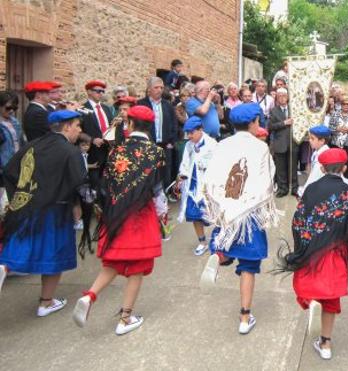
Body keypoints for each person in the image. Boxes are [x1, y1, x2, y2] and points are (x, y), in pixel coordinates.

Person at [72, 105, 167, 335]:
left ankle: (90, 296)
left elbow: (106, 184)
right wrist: (163, 213)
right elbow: (157, 189)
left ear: (130, 124)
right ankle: (125, 318)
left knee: (113, 261)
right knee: (137, 267)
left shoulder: (116, 150)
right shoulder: (156, 152)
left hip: (115, 215)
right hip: (140, 215)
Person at [199, 103, 279, 334]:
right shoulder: (260, 148)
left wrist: (218, 204)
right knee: (248, 266)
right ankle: (244, 317)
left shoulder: (223, 145)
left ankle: (218, 254)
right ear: (254, 122)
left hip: (227, 211)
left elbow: (211, 178)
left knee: (225, 244)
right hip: (249, 214)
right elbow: (267, 181)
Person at [277, 148, 348, 360]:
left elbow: (298, 220)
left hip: (311, 250)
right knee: (331, 298)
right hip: (335, 252)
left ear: (322, 168)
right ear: (344, 168)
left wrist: (302, 246)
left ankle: (311, 303)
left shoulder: (311, 189)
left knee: (306, 286)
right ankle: (325, 344)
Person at [0, 110, 86, 313]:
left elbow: (10, 170)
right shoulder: (70, 151)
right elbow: (78, 183)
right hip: (56, 212)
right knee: (54, 255)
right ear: (66, 127)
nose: (79, 130)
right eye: (77, 126)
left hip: (27, 208)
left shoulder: (32, 145)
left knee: (17, 249)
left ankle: (2, 269)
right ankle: (45, 303)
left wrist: (20, 195)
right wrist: (78, 207)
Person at [177, 116, 218, 256]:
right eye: (187, 133)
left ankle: (221, 238)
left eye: (191, 132)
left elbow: (218, 165)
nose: (189, 136)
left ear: (200, 130)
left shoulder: (212, 144)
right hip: (192, 186)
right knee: (194, 214)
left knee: (213, 213)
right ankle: (202, 242)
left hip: (208, 186)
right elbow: (185, 162)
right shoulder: (189, 145)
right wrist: (182, 175)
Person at [137, 77, 177, 187]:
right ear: (149, 89)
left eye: (161, 87)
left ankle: (164, 196)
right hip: (148, 145)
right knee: (148, 172)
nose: (159, 90)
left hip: (165, 145)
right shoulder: (141, 104)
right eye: (156, 87)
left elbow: (174, 124)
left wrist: (172, 142)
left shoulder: (167, 105)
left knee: (165, 172)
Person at [81, 80, 114, 189]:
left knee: (107, 182)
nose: (100, 93)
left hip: (108, 150)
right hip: (92, 152)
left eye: (102, 91)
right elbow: (78, 132)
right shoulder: (82, 109)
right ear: (89, 92)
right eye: (97, 91)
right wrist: (92, 140)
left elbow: (111, 126)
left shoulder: (107, 109)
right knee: (94, 183)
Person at [269, 88, 298, 197]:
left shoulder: (293, 109)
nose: (282, 97)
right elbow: (270, 127)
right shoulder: (274, 110)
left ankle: (294, 188)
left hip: (293, 142)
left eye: (284, 95)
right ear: (277, 98)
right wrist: (284, 123)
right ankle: (282, 188)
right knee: (281, 168)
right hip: (280, 143)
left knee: (293, 166)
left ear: (287, 97)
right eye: (279, 95)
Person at [328, 96, 348, 184]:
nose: (346, 106)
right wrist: (337, 129)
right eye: (344, 104)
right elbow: (330, 129)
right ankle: (334, 181)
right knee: (336, 162)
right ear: (341, 105)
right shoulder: (335, 114)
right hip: (336, 143)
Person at [0, 91, 24, 171]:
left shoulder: (15, 122)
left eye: (14, 108)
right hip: (4, 167)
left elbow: (21, 142)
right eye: (8, 108)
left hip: (16, 164)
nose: (11, 111)